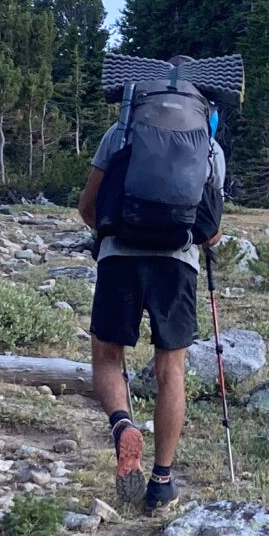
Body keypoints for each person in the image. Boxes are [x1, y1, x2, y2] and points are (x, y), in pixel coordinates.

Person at [76, 84, 225, 511]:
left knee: (107, 356)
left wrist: (107, 231)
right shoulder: (209, 147)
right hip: (177, 263)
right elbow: (211, 228)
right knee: (170, 369)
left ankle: (123, 426)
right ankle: (161, 482)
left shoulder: (121, 132)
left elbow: (88, 205)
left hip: (119, 255)